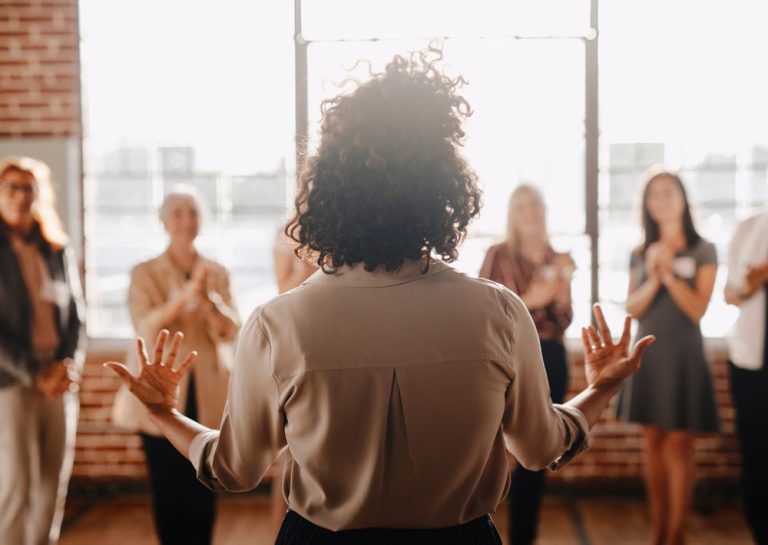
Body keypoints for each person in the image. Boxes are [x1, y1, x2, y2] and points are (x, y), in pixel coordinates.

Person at [106, 51, 654, 545]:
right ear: (445, 194)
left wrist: (163, 411)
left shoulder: (278, 323)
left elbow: (234, 469)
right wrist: (601, 388)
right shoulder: (499, 311)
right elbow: (541, 448)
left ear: (325, 194)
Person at [112, 186, 239, 545]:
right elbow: (146, 325)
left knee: (205, 483)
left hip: (208, 392)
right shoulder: (144, 272)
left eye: (193, 212)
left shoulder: (217, 271)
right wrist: (184, 298)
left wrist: (210, 301)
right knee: (167, 488)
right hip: (159, 389)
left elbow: (232, 331)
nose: (186, 220)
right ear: (164, 220)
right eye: (178, 212)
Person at [618, 167, 719, 545]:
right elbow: (633, 307)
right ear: (645, 204)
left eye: (668, 192)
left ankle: (677, 532)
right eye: (654, 194)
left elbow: (697, 309)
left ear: (682, 198)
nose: (662, 199)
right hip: (649, 352)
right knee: (653, 440)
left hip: (685, 354)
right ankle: (658, 529)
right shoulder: (639, 252)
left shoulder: (702, 248)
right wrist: (655, 275)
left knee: (679, 442)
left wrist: (671, 275)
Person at [479, 184, 574, 545]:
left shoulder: (558, 258)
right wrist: (533, 299)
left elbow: (563, 318)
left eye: (535, 205)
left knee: (539, 453)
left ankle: (523, 538)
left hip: (550, 356)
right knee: (487, 446)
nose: (530, 213)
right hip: (504, 356)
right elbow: (486, 312)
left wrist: (557, 292)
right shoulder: (497, 255)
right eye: (522, 207)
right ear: (511, 215)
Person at [0, 155, 84, 545]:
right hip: (12, 383)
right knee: (17, 486)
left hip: (59, 380)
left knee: (52, 484)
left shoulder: (56, 247)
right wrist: (35, 372)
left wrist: (67, 366)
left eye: (28, 188)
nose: (21, 196)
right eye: (12, 187)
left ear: (40, 195)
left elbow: (77, 318)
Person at [268, 226, 318, 536]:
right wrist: (306, 267)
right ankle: (281, 533)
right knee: (290, 451)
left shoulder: (352, 218)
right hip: (300, 338)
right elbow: (282, 292)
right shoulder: (289, 231)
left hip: (340, 331)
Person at [724, 209, 768, 544]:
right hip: (752, 363)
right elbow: (730, 293)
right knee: (755, 454)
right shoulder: (750, 227)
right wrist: (751, 284)